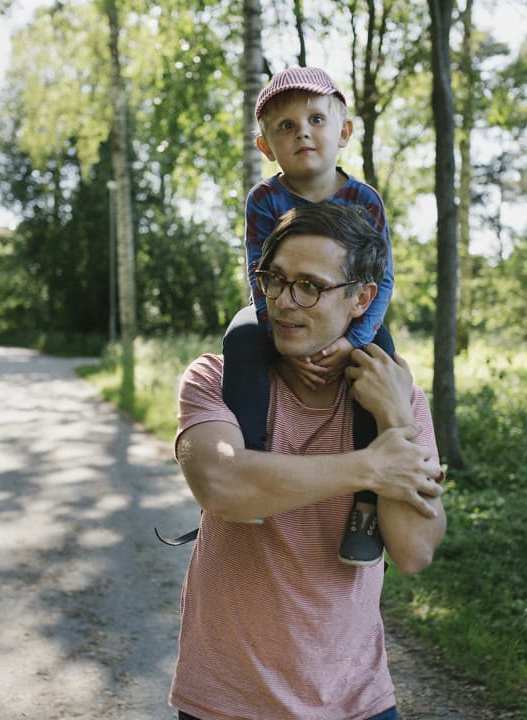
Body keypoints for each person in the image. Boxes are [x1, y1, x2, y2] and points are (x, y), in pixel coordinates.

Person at [169, 202, 446, 720]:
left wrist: (393, 420)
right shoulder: (215, 378)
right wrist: (372, 467)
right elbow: (222, 486)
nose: (284, 302)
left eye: (310, 286)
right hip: (225, 702)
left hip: (356, 702)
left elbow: (413, 552)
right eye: (274, 280)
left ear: (362, 298)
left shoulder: (399, 399)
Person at [222, 65, 397, 566]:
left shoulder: (364, 200)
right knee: (240, 337)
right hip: (281, 310)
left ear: (342, 133)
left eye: (316, 119)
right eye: (285, 125)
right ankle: (250, 462)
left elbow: (380, 279)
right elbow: (260, 273)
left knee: (380, 356)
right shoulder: (264, 199)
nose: (302, 132)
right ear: (265, 147)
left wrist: (354, 338)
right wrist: (278, 335)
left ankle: (368, 503)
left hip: (351, 317)